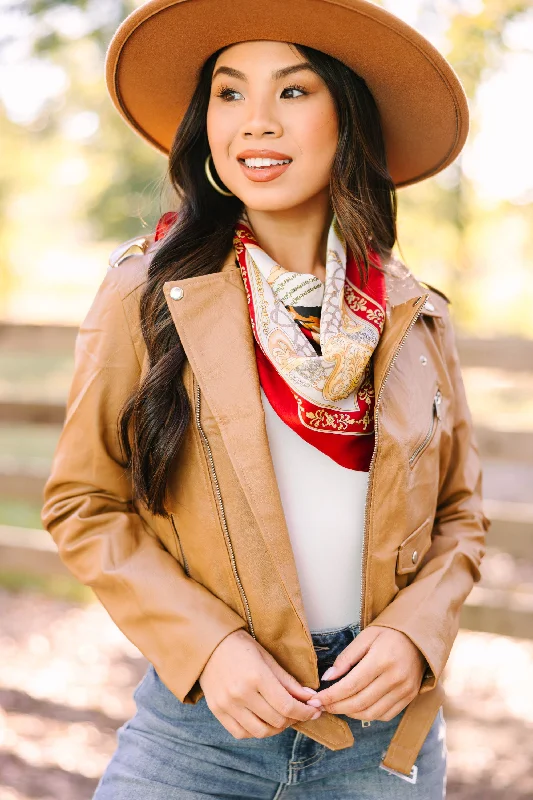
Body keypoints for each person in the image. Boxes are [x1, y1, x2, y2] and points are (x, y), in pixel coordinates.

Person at [41, 0, 489, 797]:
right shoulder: (147, 292)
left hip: (381, 743)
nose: (254, 123)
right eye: (228, 92)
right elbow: (84, 501)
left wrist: (414, 636)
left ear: (347, 118)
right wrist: (208, 645)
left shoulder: (415, 315)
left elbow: (460, 515)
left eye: (292, 91)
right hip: (197, 735)